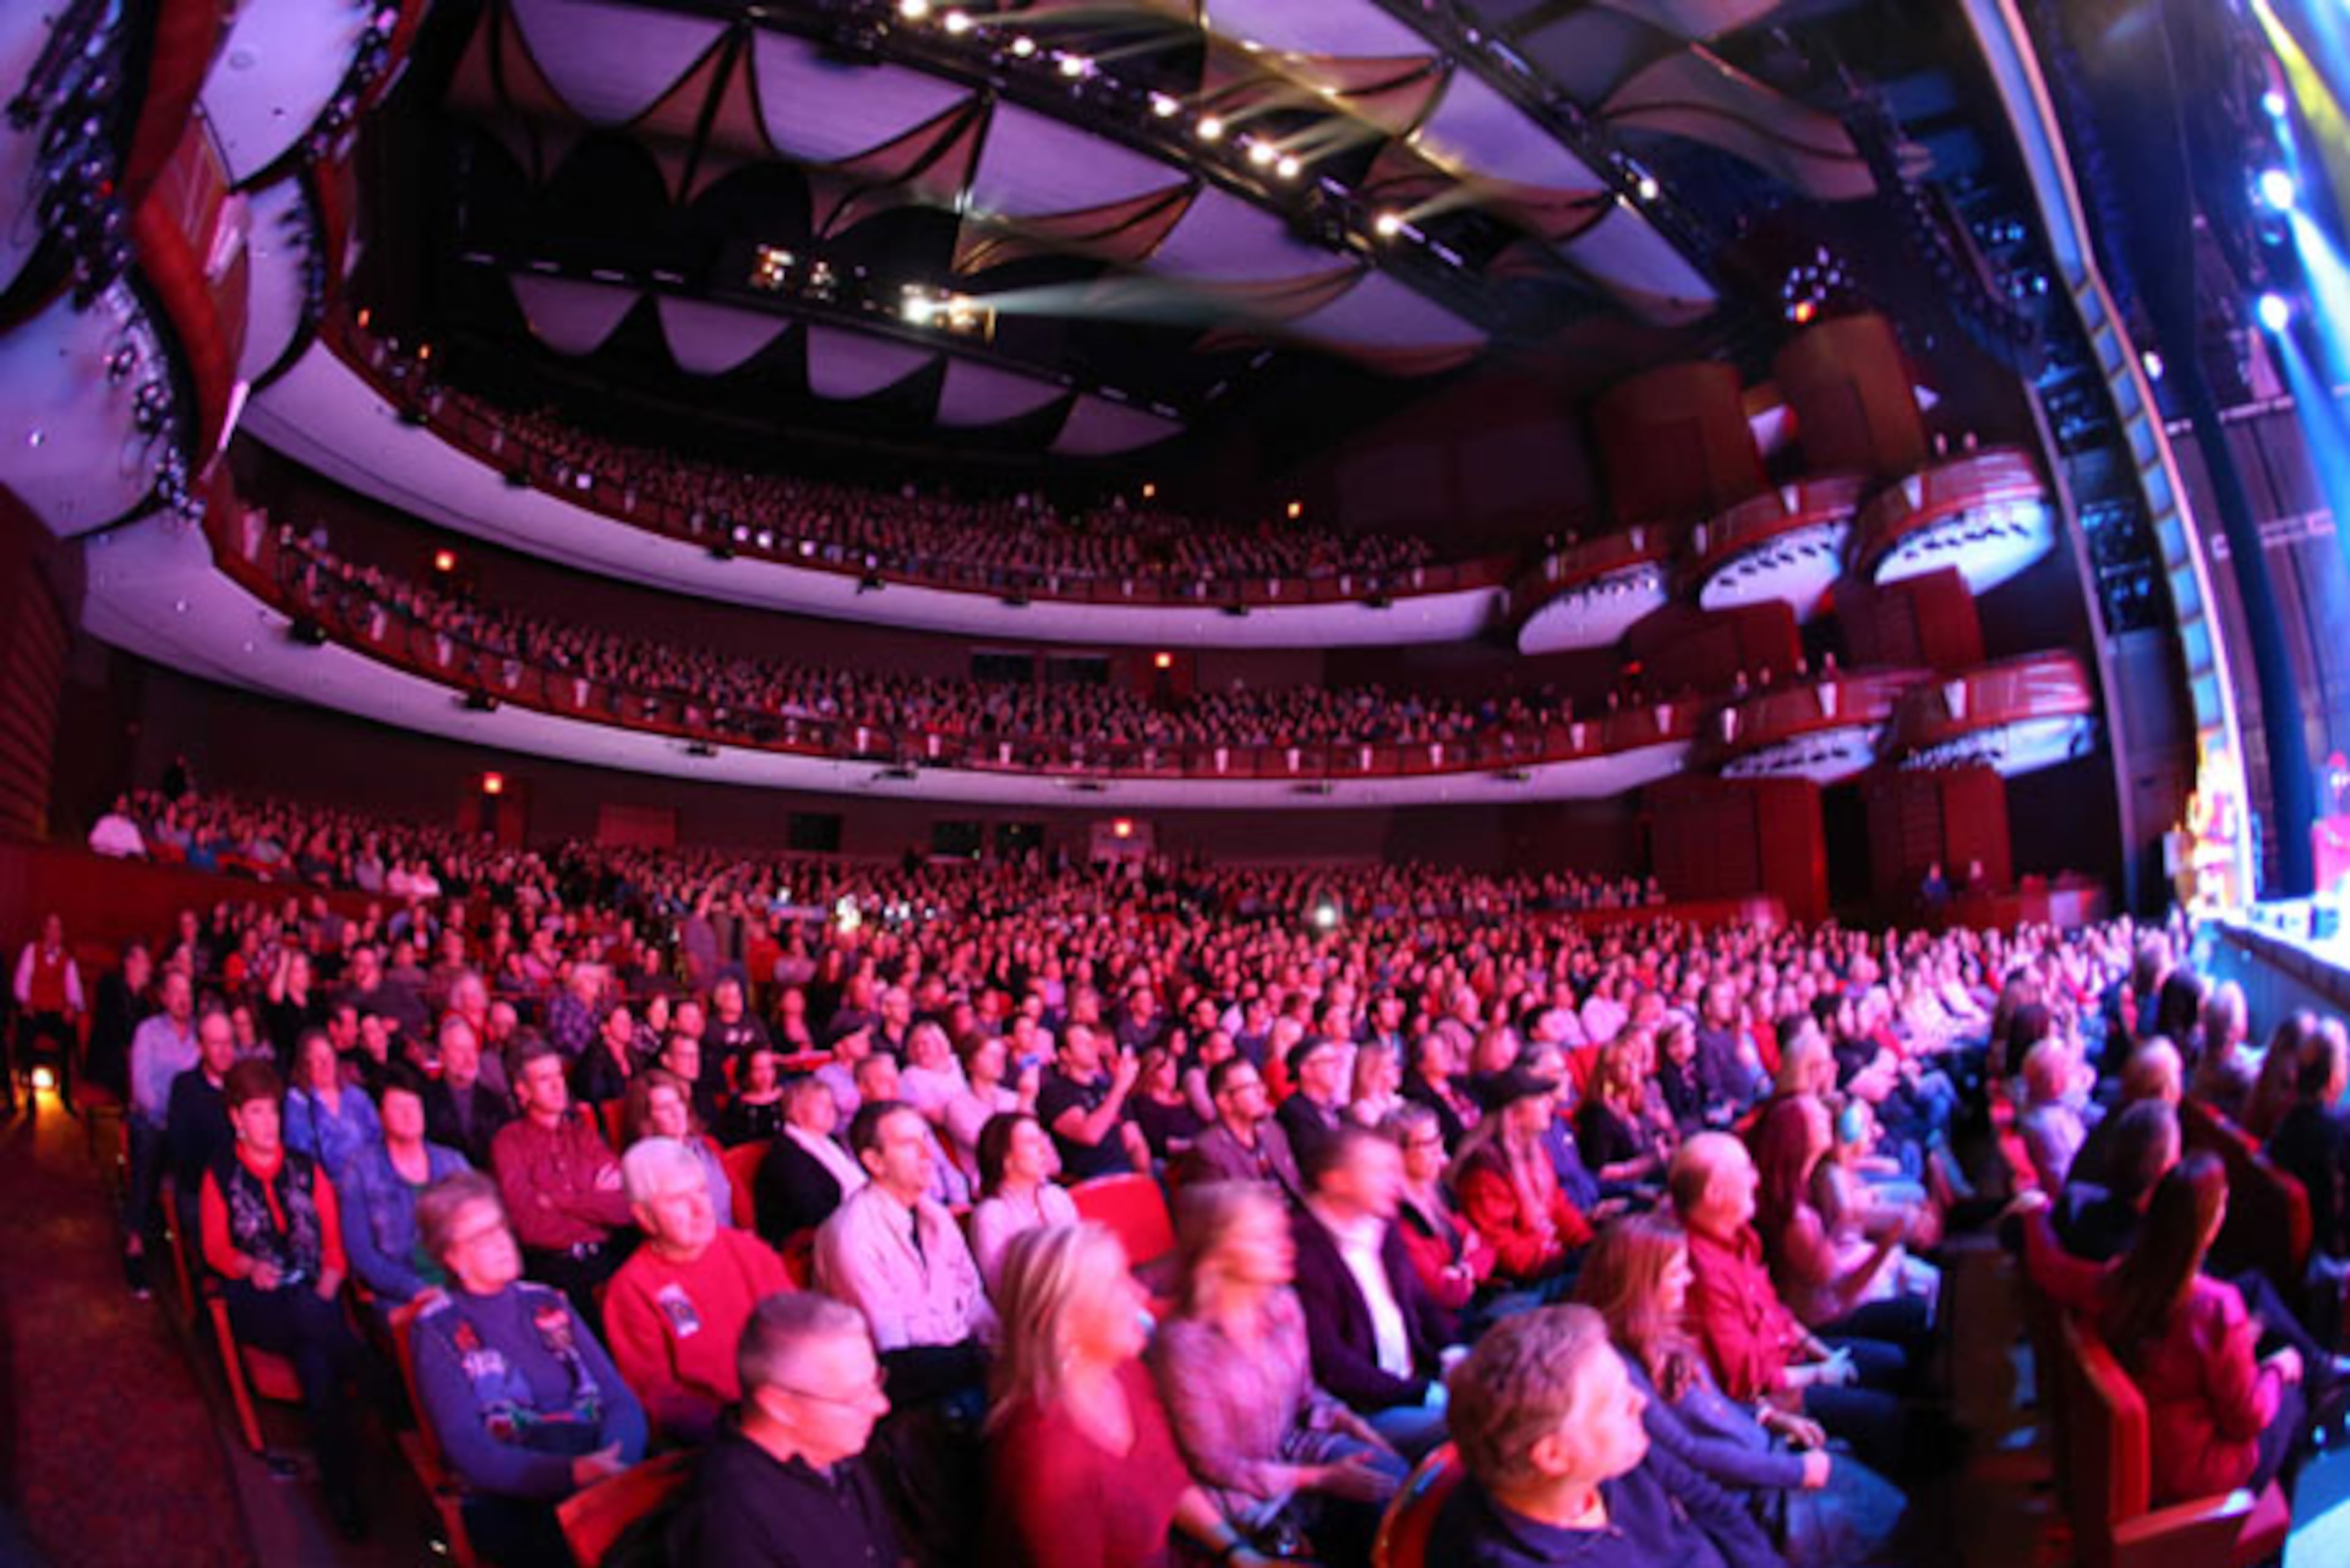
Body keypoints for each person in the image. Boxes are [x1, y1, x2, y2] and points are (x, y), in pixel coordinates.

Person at [982, 1223, 1283, 1568]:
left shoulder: (1125, 1374)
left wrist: (1240, 1554)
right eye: (1116, 1285)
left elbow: (1168, 1480)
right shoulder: (1049, 1461)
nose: (1140, 1293)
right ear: (1062, 1325)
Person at [2023, 1154, 2312, 1503]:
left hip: (2145, 1447)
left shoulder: (2118, 1278)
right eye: (2222, 1205)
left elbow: (2049, 1267)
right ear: (2210, 1223)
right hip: (2192, 1472)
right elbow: (2246, 1419)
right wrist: (2277, 1370)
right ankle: (2264, 1530)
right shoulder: (2217, 1308)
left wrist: (2034, 1211)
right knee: (2294, 1400)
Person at [1150, 1182, 1407, 1562]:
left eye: (1282, 1233)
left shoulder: (1284, 1306)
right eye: (1265, 1239)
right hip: (1242, 1499)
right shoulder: (1185, 1347)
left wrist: (1354, 1426)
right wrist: (1321, 1478)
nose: (1286, 1246)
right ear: (1217, 1254)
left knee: (1396, 1484)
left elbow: (1307, 1397)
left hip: (1293, 1452)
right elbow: (1217, 1466)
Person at [409, 1171, 649, 1567]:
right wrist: (572, 1474)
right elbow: (469, 1450)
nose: (501, 1242)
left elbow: (618, 1398)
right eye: (481, 1237)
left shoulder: (546, 1301)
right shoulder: (437, 1329)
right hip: (518, 1490)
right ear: (452, 1258)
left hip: (602, 1464)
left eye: (500, 1227)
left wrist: (614, 1460)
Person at [1427, 1303, 1781, 1567]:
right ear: (1554, 1455)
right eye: (1616, 1400)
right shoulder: (1506, 1557)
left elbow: (1718, 1509)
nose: (1640, 1401)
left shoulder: (1617, 1453)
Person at [198, 1059, 379, 1537]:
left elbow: (334, 1249)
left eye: (273, 1111)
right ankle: (376, 1378)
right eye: (256, 1113)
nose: (268, 1122)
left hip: (314, 1296)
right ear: (236, 1118)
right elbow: (216, 1249)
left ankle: (342, 1495)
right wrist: (250, 1267)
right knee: (306, 1317)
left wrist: (326, 1289)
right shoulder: (220, 1173)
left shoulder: (306, 1167)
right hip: (259, 1300)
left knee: (316, 1360)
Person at [1670, 1133, 1910, 1471]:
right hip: (1776, 1401)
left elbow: (1778, 1315)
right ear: (1714, 1193)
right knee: (1885, 1415)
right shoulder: (1699, 1268)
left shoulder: (1741, 1237)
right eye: (1746, 1170)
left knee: (1894, 1363)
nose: (1756, 1179)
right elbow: (1747, 1378)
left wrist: (1824, 1354)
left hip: (1793, 1360)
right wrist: (1819, 1374)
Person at [668, 1293, 903, 1567]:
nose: (881, 1406)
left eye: (875, 1384)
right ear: (779, 1406)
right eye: (855, 1397)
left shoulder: (835, 1451)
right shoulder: (731, 1519)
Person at [603, 1136, 793, 1445]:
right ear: (644, 1217)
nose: (700, 1209)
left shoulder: (750, 1251)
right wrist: (749, 1427)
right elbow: (657, 1396)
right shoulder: (631, 1290)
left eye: (702, 1191)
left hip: (792, 1407)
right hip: (723, 1437)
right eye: (677, 1199)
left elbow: (798, 1331)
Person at [1291, 1123, 1459, 1458]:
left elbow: (1420, 1302)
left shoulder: (1381, 1223)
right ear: (1335, 1181)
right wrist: (1422, 1393)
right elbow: (1332, 1365)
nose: (1395, 1182)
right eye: (1380, 1172)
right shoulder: (1302, 1251)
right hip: (1363, 1409)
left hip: (1415, 1379)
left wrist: (1455, 1353)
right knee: (1476, 1425)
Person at [815, 1100, 994, 1408]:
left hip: (961, 1366)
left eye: (926, 1139)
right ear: (875, 1162)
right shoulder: (852, 1235)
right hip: (909, 1394)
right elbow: (893, 1355)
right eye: (909, 1144)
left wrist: (1009, 1349)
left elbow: (973, 1301)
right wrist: (985, 1362)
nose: (928, 1154)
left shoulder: (937, 1217)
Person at [490, 1036, 636, 1320]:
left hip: (605, 1258)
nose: (559, 1086)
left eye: (559, 1075)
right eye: (545, 1079)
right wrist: (593, 1200)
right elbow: (530, 1226)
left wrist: (558, 1200)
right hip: (553, 1270)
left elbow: (625, 1207)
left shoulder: (583, 1134)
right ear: (523, 1091)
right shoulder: (509, 1143)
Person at [1453, 1064, 1594, 1294]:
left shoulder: (1535, 1151)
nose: (1549, 1104)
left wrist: (1587, 1243)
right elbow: (1501, 1247)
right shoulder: (1485, 1170)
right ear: (1514, 1114)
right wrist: (1560, 1258)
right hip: (1520, 1285)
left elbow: (1558, 1206)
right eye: (1539, 1099)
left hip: (1548, 1264)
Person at [340, 1061, 471, 1309]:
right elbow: (362, 1254)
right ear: (381, 1116)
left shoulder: (453, 1163)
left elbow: (480, 1230)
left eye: (414, 1106)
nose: (410, 1115)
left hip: (461, 1285)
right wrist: (414, 1289)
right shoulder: (361, 1170)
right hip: (401, 1296)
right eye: (399, 1108)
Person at [124, 967, 198, 1294]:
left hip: (187, 1127)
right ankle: (136, 1243)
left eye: (188, 992)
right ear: (164, 997)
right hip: (155, 1119)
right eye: (176, 992)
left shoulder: (199, 1036)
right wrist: (170, 1119)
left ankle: (199, 1248)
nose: (184, 999)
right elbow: (143, 1089)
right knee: (149, 1144)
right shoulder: (148, 1032)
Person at [1390, 1101, 1495, 1313]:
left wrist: (1463, 1270)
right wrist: (1469, 1268)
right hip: (1444, 1323)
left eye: (1438, 1140)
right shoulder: (1398, 1216)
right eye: (1426, 1144)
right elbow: (1442, 1292)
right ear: (1398, 1152)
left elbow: (1486, 1248)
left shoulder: (1438, 1193)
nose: (1438, 1152)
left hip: (1475, 1305)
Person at [969, 1110, 1078, 1298]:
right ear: (1007, 1160)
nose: (1043, 1149)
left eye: (1042, 1139)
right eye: (1031, 1142)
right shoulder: (992, 1215)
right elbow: (1002, 1291)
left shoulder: (1056, 1196)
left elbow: (1080, 1257)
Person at [1174, 1056, 1307, 1205]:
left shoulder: (1272, 1130)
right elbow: (1219, 1214)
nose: (1262, 1092)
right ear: (1225, 1102)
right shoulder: (1207, 1152)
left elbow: (1297, 1186)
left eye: (1260, 1085)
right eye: (1251, 1087)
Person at [755, 1075, 866, 1246]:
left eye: (832, 1104)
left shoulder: (831, 1143)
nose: (831, 1110)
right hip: (816, 1241)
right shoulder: (786, 1156)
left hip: (851, 1225)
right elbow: (812, 1213)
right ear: (797, 1111)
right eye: (821, 1104)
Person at [621, 1068, 736, 1230]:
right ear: (647, 1119)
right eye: (664, 1107)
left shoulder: (708, 1145)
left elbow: (738, 1201)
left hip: (730, 1238)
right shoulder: (647, 1168)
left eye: (678, 1103)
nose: (676, 1113)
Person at [1037, 1021, 1146, 1181]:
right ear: (1065, 1054)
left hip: (1126, 1173)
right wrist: (1120, 1087)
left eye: (1092, 1041)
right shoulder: (1055, 1093)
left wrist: (1144, 1176)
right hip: (1091, 1179)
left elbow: (1135, 1140)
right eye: (1082, 1043)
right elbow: (1089, 1135)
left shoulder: (1108, 1089)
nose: (1092, 1047)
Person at [284, 1027, 383, 1182]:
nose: (325, 1064)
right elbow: (301, 1153)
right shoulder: (298, 1102)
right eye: (318, 1059)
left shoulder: (356, 1096)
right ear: (305, 1065)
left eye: (329, 1057)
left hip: (369, 1180)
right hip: (325, 1185)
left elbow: (378, 1138)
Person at [10, 913, 82, 1108]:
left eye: (58, 929)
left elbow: (74, 991)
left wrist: (72, 1007)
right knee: (26, 1030)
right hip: (35, 1010)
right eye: (51, 928)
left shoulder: (67, 959)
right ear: (44, 931)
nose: (54, 933)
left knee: (69, 1031)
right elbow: (21, 982)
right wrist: (25, 1003)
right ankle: (29, 1091)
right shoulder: (31, 951)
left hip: (56, 1012)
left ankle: (66, 1091)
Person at [425, 1014, 511, 1170]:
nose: (470, 1058)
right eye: (460, 1050)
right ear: (441, 1057)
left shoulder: (496, 1103)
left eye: (473, 1049)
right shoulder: (424, 1101)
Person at [1275, 1036, 1349, 1168]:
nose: (1338, 1067)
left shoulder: (1340, 1111)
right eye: (1329, 1061)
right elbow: (1315, 1162)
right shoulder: (1294, 1113)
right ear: (1306, 1071)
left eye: (1337, 1060)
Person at [718, 1043, 789, 1148]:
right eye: (758, 1069)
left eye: (769, 1068)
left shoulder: (788, 1099)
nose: (765, 1075)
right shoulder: (737, 1106)